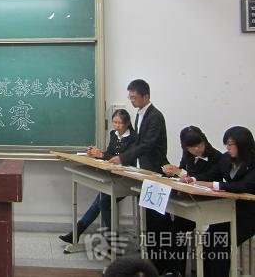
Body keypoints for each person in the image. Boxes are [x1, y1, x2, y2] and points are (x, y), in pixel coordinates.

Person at [107, 79, 172, 275]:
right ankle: (151, 263)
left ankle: (162, 266)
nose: (131, 100)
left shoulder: (155, 117)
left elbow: (148, 144)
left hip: (155, 172)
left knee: (158, 221)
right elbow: (138, 143)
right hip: (144, 171)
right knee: (150, 221)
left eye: (134, 97)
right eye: (130, 97)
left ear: (146, 96)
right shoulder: (140, 114)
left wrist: (124, 157)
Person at [59, 109, 136, 243]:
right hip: (113, 175)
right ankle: (78, 234)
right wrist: (97, 153)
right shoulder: (113, 134)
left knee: (102, 203)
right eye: (114, 122)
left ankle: (110, 239)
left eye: (120, 123)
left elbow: (125, 158)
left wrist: (102, 155)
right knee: (100, 202)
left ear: (127, 123)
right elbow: (110, 154)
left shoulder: (133, 137)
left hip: (127, 178)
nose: (117, 126)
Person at [191, 126, 255, 277]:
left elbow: (244, 186)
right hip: (229, 210)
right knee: (207, 239)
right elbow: (213, 173)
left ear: (243, 145)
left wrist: (214, 185)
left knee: (221, 243)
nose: (227, 148)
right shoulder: (226, 158)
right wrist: (193, 179)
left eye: (231, 144)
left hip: (249, 215)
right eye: (226, 144)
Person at [161, 126, 222, 275]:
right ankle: (175, 271)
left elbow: (210, 176)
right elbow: (184, 171)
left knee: (208, 237)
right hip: (191, 202)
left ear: (204, 141)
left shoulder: (217, 157)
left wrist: (188, 177)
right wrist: (174, 171)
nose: (197, 149)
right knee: (176, 230)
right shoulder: (187, 154)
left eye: (199, 145)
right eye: (191, 147)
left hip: (210, 204)